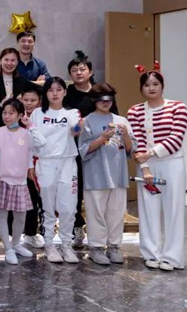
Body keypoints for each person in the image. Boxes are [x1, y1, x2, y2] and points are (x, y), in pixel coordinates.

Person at [127, 65, 187, 271]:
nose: (151, 88)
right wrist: (145, 167)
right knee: (148, 209)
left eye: (155, 84)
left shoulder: (178, 107)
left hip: (172, 163)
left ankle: (172, 257)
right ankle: (151, 254)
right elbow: (137, 140)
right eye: (147, 85)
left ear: (162, 86)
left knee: (174, 209)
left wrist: (151, 153)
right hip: (146, 165)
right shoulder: (135, 111)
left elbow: (177, 137)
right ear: (141, 88)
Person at [78, 83, 135, 266]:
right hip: (95, 174)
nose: (105, 103)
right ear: (94, 100)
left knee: (117, 213)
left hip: (118, 174)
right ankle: (96, 247)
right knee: (96, 212)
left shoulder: (122, 121)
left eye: (109, 99)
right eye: (101, 99)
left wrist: (125, 136)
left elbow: (131, 150)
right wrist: (102, 138)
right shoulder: (86, 121)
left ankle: (114, 246)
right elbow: (83, 149)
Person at [64, 51, 117, 247]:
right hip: (74, 149)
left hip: (100, 149)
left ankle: (102, 234)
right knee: (75, 191)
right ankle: (77, 228)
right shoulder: (67, 95)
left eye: (82, 69)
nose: (78, 73)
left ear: (90, 71)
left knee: (99, 192)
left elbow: (114, 119)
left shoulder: (101, 93)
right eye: (74, 70)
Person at [31, 77, 83, 264]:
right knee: (48, 206)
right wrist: (30, 164)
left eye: (58, 89)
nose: (54, 93)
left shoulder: (72, 112)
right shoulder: (37, 113)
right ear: (45, 93)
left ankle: (66, 244)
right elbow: (31, 140)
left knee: (69, 207)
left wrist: (78, 127)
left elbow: (75, 129)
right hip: (45, 162)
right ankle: (49, 244)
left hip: (67, 162)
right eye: (50, 90)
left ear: (65, 92)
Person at [0, 99, 45, 265]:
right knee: (2, 215)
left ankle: (16, 243)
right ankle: (8, 248)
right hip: (2, 180)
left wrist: (30, 125)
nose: (7, 116)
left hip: (20, 181)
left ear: (20, 115)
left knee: (21, 215)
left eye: (11, 113)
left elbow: (40, 144)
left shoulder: (26, 133)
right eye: (5, 113)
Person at [18, 86, 45, 250]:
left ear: (39, 102)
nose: (29, 103)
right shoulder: (16, 116)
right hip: (20, 164)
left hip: (41, 162)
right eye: (26, 100)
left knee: (40, 200)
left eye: (33, 100)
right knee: (27, 200)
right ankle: (23, 234)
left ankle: (36, 233)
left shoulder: (43, 117)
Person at [0, 48, 32, 127]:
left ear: (17, 62)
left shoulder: (21, 80)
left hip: (16, 125)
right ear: (0, 61)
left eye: (13, 60)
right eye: (6, 60)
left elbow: (38, 89)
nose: (9, 63)